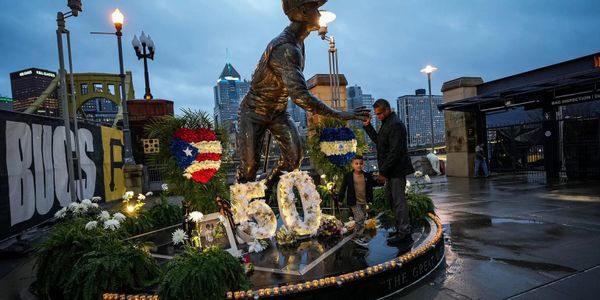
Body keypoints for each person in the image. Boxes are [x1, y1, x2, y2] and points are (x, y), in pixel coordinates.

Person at [236, 0, 369, 194]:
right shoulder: (286, 48)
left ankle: (266, 188)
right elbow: (301, 97)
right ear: (303, 12)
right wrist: (341, 115)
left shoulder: (298, 42)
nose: (319, 13)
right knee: (249, 166)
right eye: (315, 8)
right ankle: (241, 203)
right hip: (253, 112)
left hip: (278, 112)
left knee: (293, 158)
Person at [363, 99, 415, 245]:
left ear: (387, 110)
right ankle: (400, 229)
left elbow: (395, 152)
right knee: (391, 199)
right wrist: (367, 126)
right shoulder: (388, 123)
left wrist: (383, 173)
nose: (377, 116)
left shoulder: (395, 124)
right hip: (391, 171)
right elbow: (380, 142)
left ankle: (404, 232)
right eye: (376, 114)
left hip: (396, 171)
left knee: (398, 201)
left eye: (379, 113)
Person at [338, 155, 377, 247]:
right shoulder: (348, 176)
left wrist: (382, 181)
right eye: (356, 163)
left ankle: (358, 234)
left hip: (363, 201)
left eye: (361, 163)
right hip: (353, 201)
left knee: (362, 219)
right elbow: (343, 188)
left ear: (363, 165)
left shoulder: (366, 175)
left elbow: (371, 186)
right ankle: (357, 236)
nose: (359, 165)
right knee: (359, 217)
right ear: (352, 165)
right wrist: (340, 199)